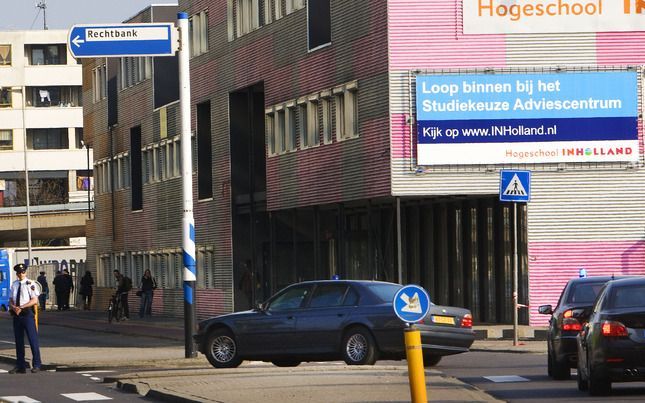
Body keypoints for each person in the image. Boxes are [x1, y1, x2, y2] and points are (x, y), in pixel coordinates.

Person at [9, 263, 42, 373]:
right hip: (17, 315)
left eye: (23, 272)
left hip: (27, 314)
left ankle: (37, 364)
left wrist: (22, 307)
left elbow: (34, 300)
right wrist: (13, 307)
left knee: (32, 340)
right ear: (17, 274)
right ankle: (20, 365)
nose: (21, 274)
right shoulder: (14, 285)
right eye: (19, 272)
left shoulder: (30, 284)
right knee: (18, 341)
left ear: (25, 272)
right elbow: (11, 299)